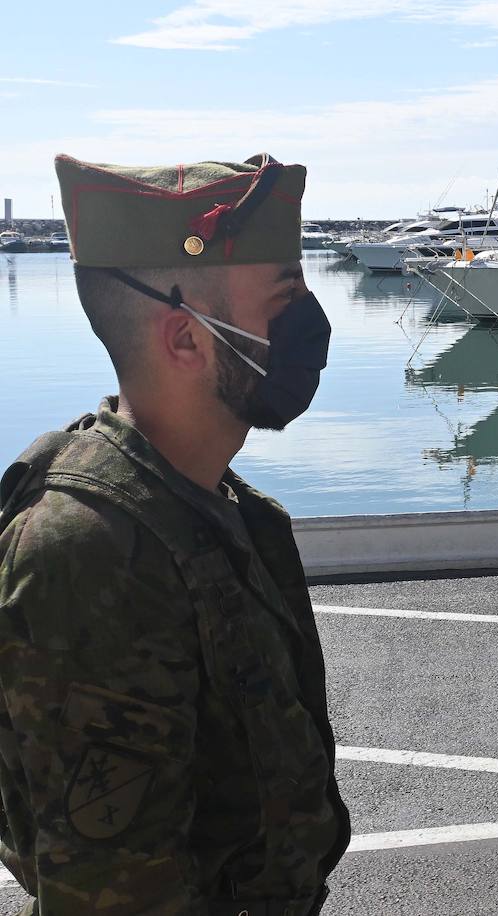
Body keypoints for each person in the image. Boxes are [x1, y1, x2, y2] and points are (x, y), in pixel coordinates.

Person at [0, 153, 350, 914]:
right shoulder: (93, 555)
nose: (311, 326)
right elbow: (107, 892)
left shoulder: (215, 502)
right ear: (188, 340)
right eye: (286, 301)